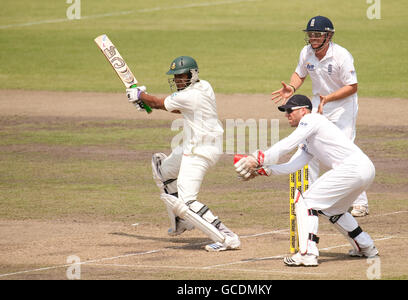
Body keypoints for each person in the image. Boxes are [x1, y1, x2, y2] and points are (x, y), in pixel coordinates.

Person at [234, 95, 378, 267]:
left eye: (290, 110)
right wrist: (264, 171)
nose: (287, 114)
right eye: (285, 111)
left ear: (303, 110)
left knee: (306, 202)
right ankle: (365, 246)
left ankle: (307, 253)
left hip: (352, 168)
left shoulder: (312, 119)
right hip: (365, 169)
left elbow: (288, 143)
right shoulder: (308, 138)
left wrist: (259, 158)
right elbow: (292, 165)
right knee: (334, 210)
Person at [126, 56, 240, 252]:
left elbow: (159, 102)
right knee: (163, 171)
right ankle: (181, 221)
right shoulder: (204, 86)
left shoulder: (191, 94)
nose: (179, 80)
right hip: (194, 145)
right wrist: (145, 101)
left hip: (200, 150)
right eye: (176, 77)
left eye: (182, 76)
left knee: (187, 200)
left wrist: (140, 96)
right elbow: (177, 108)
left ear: (193, 74)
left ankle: (227, 236)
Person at [271, 16, 369, 217]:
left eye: (318, 35)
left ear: (329, 35)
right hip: (318, 103)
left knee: (343, 151)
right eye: (310, 35)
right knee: (309, 146)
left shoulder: (342, 56)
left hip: (342, 105)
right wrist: (291, 87)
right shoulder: (306, 52)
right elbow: (299, 74)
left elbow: (352, 86)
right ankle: (312, 197)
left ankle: (360, 203)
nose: (313, 38)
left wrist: (329, 98)